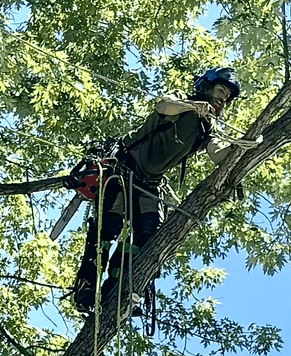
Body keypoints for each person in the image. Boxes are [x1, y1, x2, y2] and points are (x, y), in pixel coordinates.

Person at [69, 66, 241, 314]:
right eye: (221, 89)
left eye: (227, 95)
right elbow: (163, 106)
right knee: (108, 228)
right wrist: (193, 107)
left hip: (151, 183)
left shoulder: (208, 128)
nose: (223, 97)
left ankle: (117, 287)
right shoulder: (182, 100)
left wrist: (243, 149)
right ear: (206, 86)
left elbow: (217, 154)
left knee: (148, 234)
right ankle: (86, 286)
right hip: (124, 168)